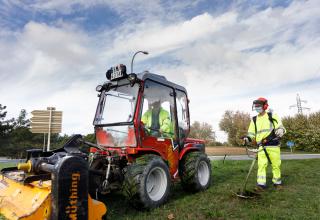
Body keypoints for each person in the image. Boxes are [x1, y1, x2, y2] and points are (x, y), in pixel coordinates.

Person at [243, 97, 286, 191]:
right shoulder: (254, 119)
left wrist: (280, 130)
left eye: (258, 106)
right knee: (261, 165)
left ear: (265, 106)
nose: (257, 108)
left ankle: (277, 183)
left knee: (276, 165)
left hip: (273, 144)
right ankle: (261, 185)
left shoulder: (272, 115)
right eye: (256, 106)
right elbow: (251, 133)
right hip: (261, 146)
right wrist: (248, 138)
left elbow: (280, 126)